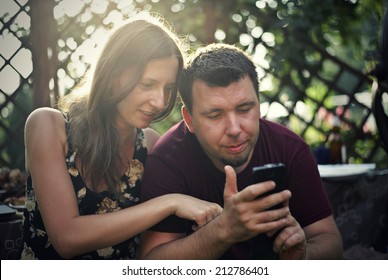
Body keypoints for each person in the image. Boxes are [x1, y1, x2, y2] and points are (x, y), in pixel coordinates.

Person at [19, 13, 221, 260]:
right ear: (113, 75)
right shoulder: (48, 126)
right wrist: (171, 202)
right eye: (147, 84)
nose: (160, 101)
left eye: (168, 88)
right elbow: (66, 238)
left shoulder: (150, 144)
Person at [140, 43, 343, 260]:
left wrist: (301, 257)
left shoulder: (290, 149)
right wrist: (224, 230)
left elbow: (330, 241)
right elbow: (151, 263)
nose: (235, 129)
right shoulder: (168, 160)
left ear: (259, 104)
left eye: (245, 109)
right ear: (189, 119)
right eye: (215, 115)